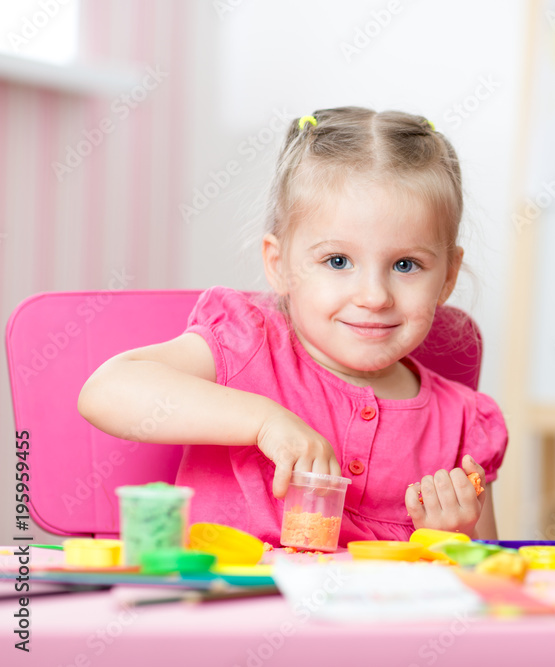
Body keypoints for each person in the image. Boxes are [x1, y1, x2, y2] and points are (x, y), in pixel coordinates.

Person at [79, 107, 507, 545]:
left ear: (449, 276)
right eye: (337, 261)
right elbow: (106, 391)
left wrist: (454, 538)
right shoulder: (245, 342)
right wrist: (262, 422)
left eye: (406, 264)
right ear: (279, 264)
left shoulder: (464, 425)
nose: (375, 296)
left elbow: (491, 580)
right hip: (225, 604)